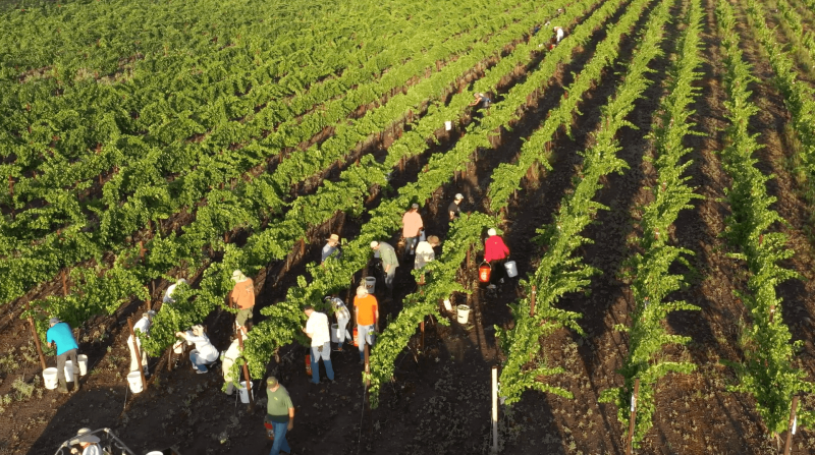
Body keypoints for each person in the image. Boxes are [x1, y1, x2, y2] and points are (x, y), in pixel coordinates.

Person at [46, 317, 79, 393]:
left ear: (51, 324)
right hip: (73, 346)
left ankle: (64, 388)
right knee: (75, 365)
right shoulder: (65, 324)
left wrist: (53, 343)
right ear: (58, 322)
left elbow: (49, 345)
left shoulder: (50, 331)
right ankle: (77, 386)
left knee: (60, 370)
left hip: (62, 350)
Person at [303, 305, 334, 384]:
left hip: (317, 344)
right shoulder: (323, 315)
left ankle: (316, 380)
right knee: (327, 360)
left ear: (307, 312)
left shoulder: (310, 321)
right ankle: (331, 377)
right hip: (325, 342)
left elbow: (310, 335)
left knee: (314, 361)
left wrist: (305, 330)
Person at [265, 376, 295, 455]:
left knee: (276, 442)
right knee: (278, 437)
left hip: (282, 420)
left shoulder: (283, 394)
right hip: (272, 418)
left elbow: (291, 408)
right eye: (270, 387)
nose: (271, 389)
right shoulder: (268, 389)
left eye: (273, 387)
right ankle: (287, 450)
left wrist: (291, 422)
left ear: (277, 383)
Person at [353, 286, 378, 365]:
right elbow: (356, 310)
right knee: (361, 343)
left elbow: (376, 312)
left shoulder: (372, 299)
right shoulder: (357, 298)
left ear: (364, 293)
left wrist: (376, 324)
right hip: (360, 325)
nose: (358, 296)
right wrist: (356, 322)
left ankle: (374, 357)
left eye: (359, 295)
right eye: (357, 294)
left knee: (371, 341)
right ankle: (362, 359)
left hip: (370, 325)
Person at [127, 310, 155, 376]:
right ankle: (133, 376)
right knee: (136, 359)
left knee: (144, 356)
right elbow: (141, 331)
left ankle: (144, 372)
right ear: (151, 317)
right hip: (134, 342)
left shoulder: (146, 321)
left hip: (141, 342)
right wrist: (148, 337)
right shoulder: (145, 321)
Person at [221, 329, 246, 395]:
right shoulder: (237, 345)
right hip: (229, 362)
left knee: (234, 377)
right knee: (230, 379)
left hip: (230, 362)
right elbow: (242, 354)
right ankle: (229, 393)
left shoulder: (235, 343)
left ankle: (234, 389)